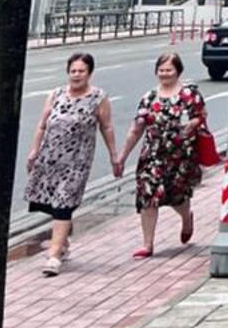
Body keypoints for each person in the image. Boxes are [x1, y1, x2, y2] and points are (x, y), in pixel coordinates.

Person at [23, 52, 120, 276]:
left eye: (81, 71)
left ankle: (54, 256)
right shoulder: (56, 94)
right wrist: (34, 150)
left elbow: (106, 127)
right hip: (50, 158)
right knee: (49, 203)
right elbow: (42, 124)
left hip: (77, 162)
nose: (76, 75)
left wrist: (114, 155)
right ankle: (63, 241)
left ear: (89, 73)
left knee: (63, 203)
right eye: (73, 71)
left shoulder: (98, 98)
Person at [116, 51, 207, 258]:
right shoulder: (149, 98)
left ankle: (186, 218)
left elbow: (200, 116)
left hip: (180, 155)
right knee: (148, 195)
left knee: (176, 196)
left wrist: (190, 125)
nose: (165, 74)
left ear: (178, 71)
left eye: (169, 70)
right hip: (153, 154)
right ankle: (148, 244)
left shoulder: (189, 94)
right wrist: (122, 156)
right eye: (161, 70)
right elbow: (136, 128)